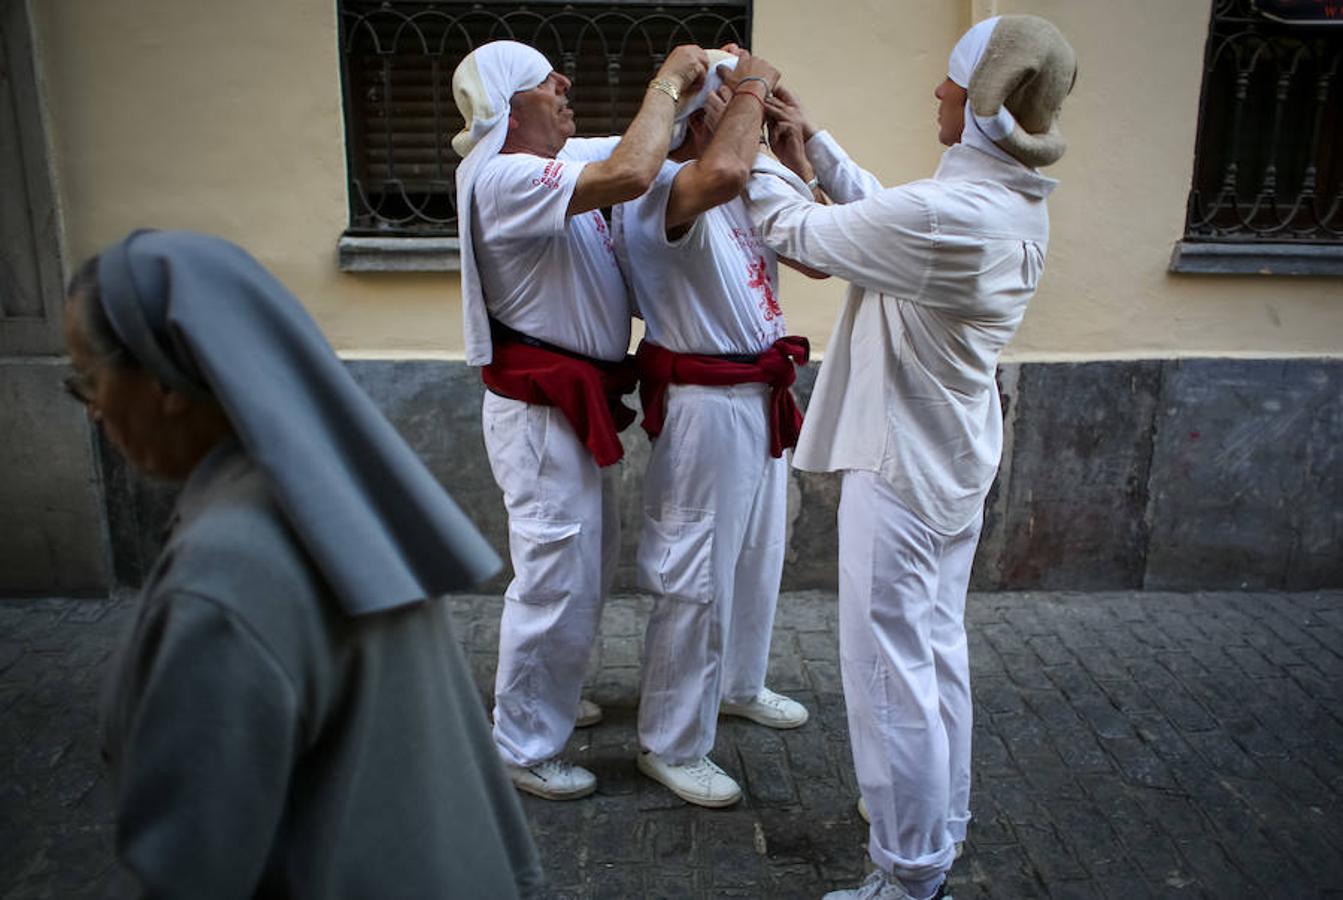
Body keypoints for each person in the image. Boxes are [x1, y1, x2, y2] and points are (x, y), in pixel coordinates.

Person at [66, 229, 543, 898]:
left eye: (88, 377)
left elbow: (188, 869)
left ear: (161, 378)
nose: (91, 408)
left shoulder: (224, 574)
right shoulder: (331, 498)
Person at [745, 16, 1077, 900]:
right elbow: (882, 214)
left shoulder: (949, 217)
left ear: (980, 102)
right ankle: (937, 825)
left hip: (902, 467)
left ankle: (907, 873)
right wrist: (808, 137)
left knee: (889, 674)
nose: (936, 92)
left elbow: (804, 232)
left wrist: (749, 133)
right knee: (932, 653)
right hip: (947, 459)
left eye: (950, 82)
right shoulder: (998, 202)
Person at [451, 40, 710, 800]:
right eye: (543, 80)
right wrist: (666, 76)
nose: (564, 82)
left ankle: (545, 697)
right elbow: (633, 170)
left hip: (568, 405)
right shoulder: (503, 177)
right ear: (508, 106)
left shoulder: (557, 163)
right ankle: (522, 744)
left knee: (579, 573)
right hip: (538, 416)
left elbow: (645, 141)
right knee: (553, 581)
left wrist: (710, 81)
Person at [610, 50, 815, 807]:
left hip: (758, 392)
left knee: (758, 558)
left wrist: (794, 154)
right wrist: (753, 82)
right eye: (735, 107)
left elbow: (818, 252)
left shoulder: (744, 186)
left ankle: (737, 684)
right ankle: (669, 740)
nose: (751, 117)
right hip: (706, 403)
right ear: (701, 116)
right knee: (694, 573)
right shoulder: (665, 188)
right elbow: (723, 169)